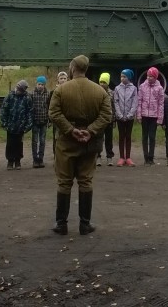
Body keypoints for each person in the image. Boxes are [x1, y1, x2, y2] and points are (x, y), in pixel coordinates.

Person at [49, 54, 112, 235]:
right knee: (85, 181)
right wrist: (90, 131)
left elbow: (54, 113)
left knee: (64, 182)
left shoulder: (61, 90)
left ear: (72, 68)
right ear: (86, 69)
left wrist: (70, 130)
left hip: (66, 142)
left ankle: (61, 224)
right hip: (89, 143)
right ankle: (85, 224)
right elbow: (106, 116)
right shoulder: (100, 91)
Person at [1, 80, 33, 170]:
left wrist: (28, 126)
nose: (18, 91)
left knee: (19, 144)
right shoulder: (10, 96)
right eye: (18, 89)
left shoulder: (27, 98)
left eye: (20, 90)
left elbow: (30, 112)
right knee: (10, 144)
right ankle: (10, 161)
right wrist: (4, 123)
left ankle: (18, 161)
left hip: (21, 127)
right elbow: (4, 109)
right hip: (10, 126)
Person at [137, 67, 164, 165]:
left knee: (152, 137)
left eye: (151, 76)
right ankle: (145, 158)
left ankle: (151, 157)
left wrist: (160, 118)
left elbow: (161, 104)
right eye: (148, 76)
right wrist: (139, 115)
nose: (149, 78)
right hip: (144, 115)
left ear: (156, 77)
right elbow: (139, 101)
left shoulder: (159, 88)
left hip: (154, 116)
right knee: (144, 137)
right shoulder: (142, 86)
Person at [113, 69, 137, 166]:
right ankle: (122, 157)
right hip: (120, 118)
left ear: (129, 78)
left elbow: (135, 102)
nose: (122, 78)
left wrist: (129, 115)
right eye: (121, 76)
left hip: (129, 118)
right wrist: (119, 115)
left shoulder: (134, 88)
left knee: (128, 136)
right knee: (121, 136)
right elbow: (116, 102)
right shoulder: (117, 88)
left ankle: (128, 157)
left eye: (124, 76)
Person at [96, 73, 115, 167]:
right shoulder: (95, 92)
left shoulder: (112, 93)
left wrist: (114, 119)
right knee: (99, 139)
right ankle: (98, 156)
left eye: (104, 82)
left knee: (109, 139)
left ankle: (109, 157)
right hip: (99, 120)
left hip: (109, 120)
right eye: (101, 82)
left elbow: (114, 107)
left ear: (108, 83)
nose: (102, 84)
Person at [30, 75, 50, 168]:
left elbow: (49, 107)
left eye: (42, 84)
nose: (40, 86)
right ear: (36, 84)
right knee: (34, 141)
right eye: (39, 84)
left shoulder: (48, 94)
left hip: (44, 121)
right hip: (35, 121)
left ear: (44, 85)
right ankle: (35, 159)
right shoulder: (32, 94)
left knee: (42, 141)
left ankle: (41, 159)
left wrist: (49, 120)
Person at [50, 71, 68, 157]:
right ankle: (56, 156)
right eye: (61, 78)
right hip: (57, 118)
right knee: (56, 138)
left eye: (65, 78)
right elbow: (50, 105)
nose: (63, 80)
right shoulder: (53, 92)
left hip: (68, 118)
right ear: (58, 80)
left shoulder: (70, 90)